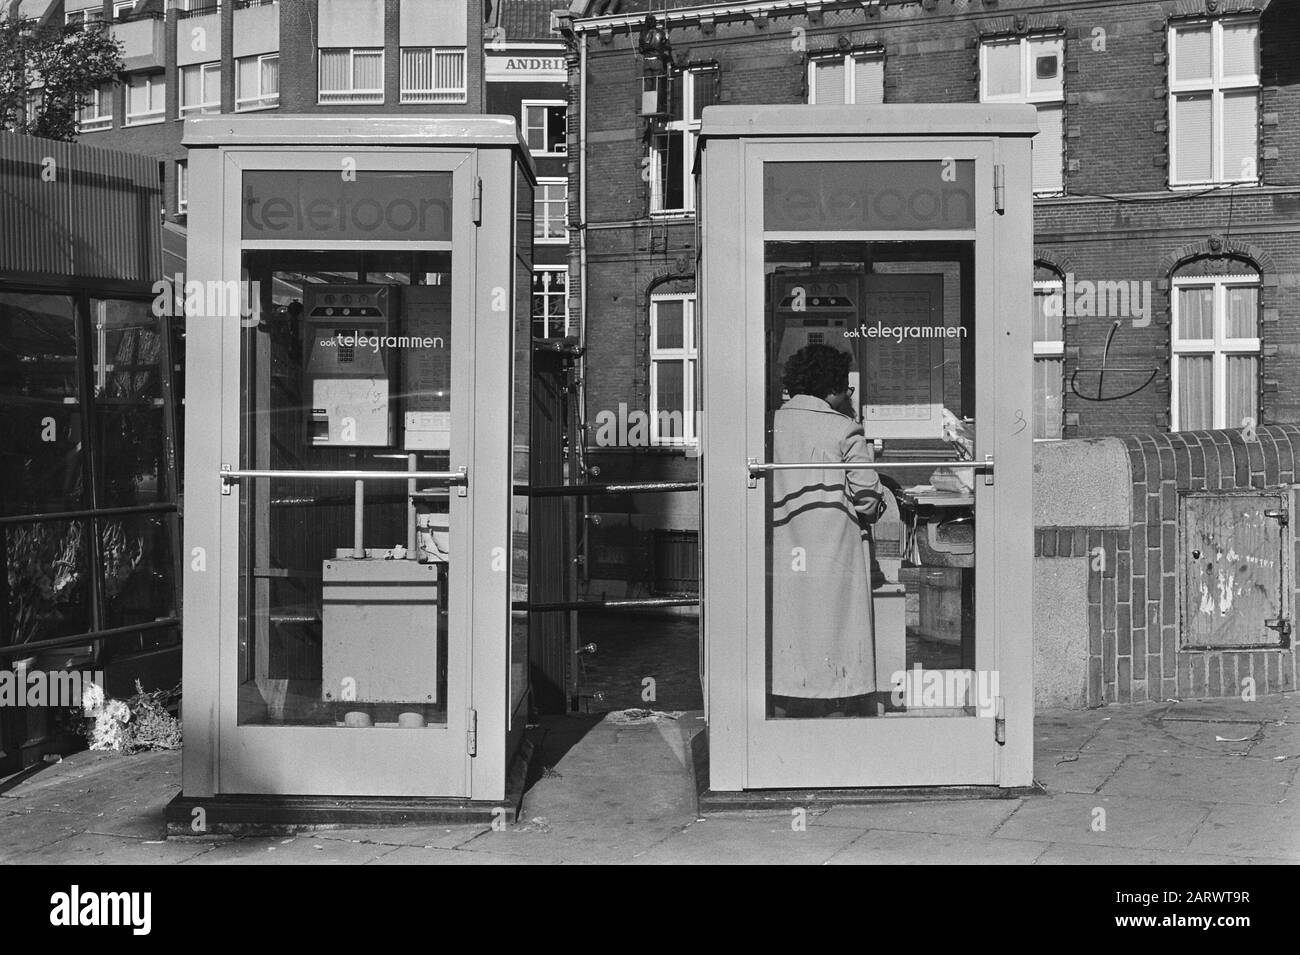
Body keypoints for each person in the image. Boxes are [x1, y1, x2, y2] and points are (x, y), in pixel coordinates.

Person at [770, 343, 891, 718]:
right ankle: (834, 703)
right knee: (834, 629)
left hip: (782, 547)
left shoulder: (769, 424)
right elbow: (867, 498)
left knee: (789, 625)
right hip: (833, 550)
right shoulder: (845, 429)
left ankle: (787, 697)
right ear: (834, 388)